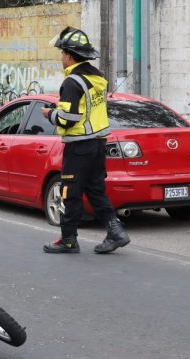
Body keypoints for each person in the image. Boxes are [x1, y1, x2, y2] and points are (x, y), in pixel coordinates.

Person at [41, 26, 130, 254]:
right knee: (96, 190)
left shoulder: (72, 82)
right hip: (98, 144)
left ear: (70, 56)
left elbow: (69, 118)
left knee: (70, 193)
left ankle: (68, 239)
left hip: (79, 146)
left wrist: (50, 114)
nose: (61, 57)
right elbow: (86, 109)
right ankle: (115, 231)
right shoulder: (96, 78)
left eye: (62, 53)